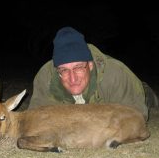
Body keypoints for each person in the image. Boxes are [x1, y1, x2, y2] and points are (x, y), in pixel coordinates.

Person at [28, 26, 158, 121]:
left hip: (137, 91)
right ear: (57, 70)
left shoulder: (115, 74)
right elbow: (34, 117)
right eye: (64, 70)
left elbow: (136, 116)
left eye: (78, 67)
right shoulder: (45, 77)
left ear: (90, 65)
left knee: (148, 99)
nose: (72, 79)